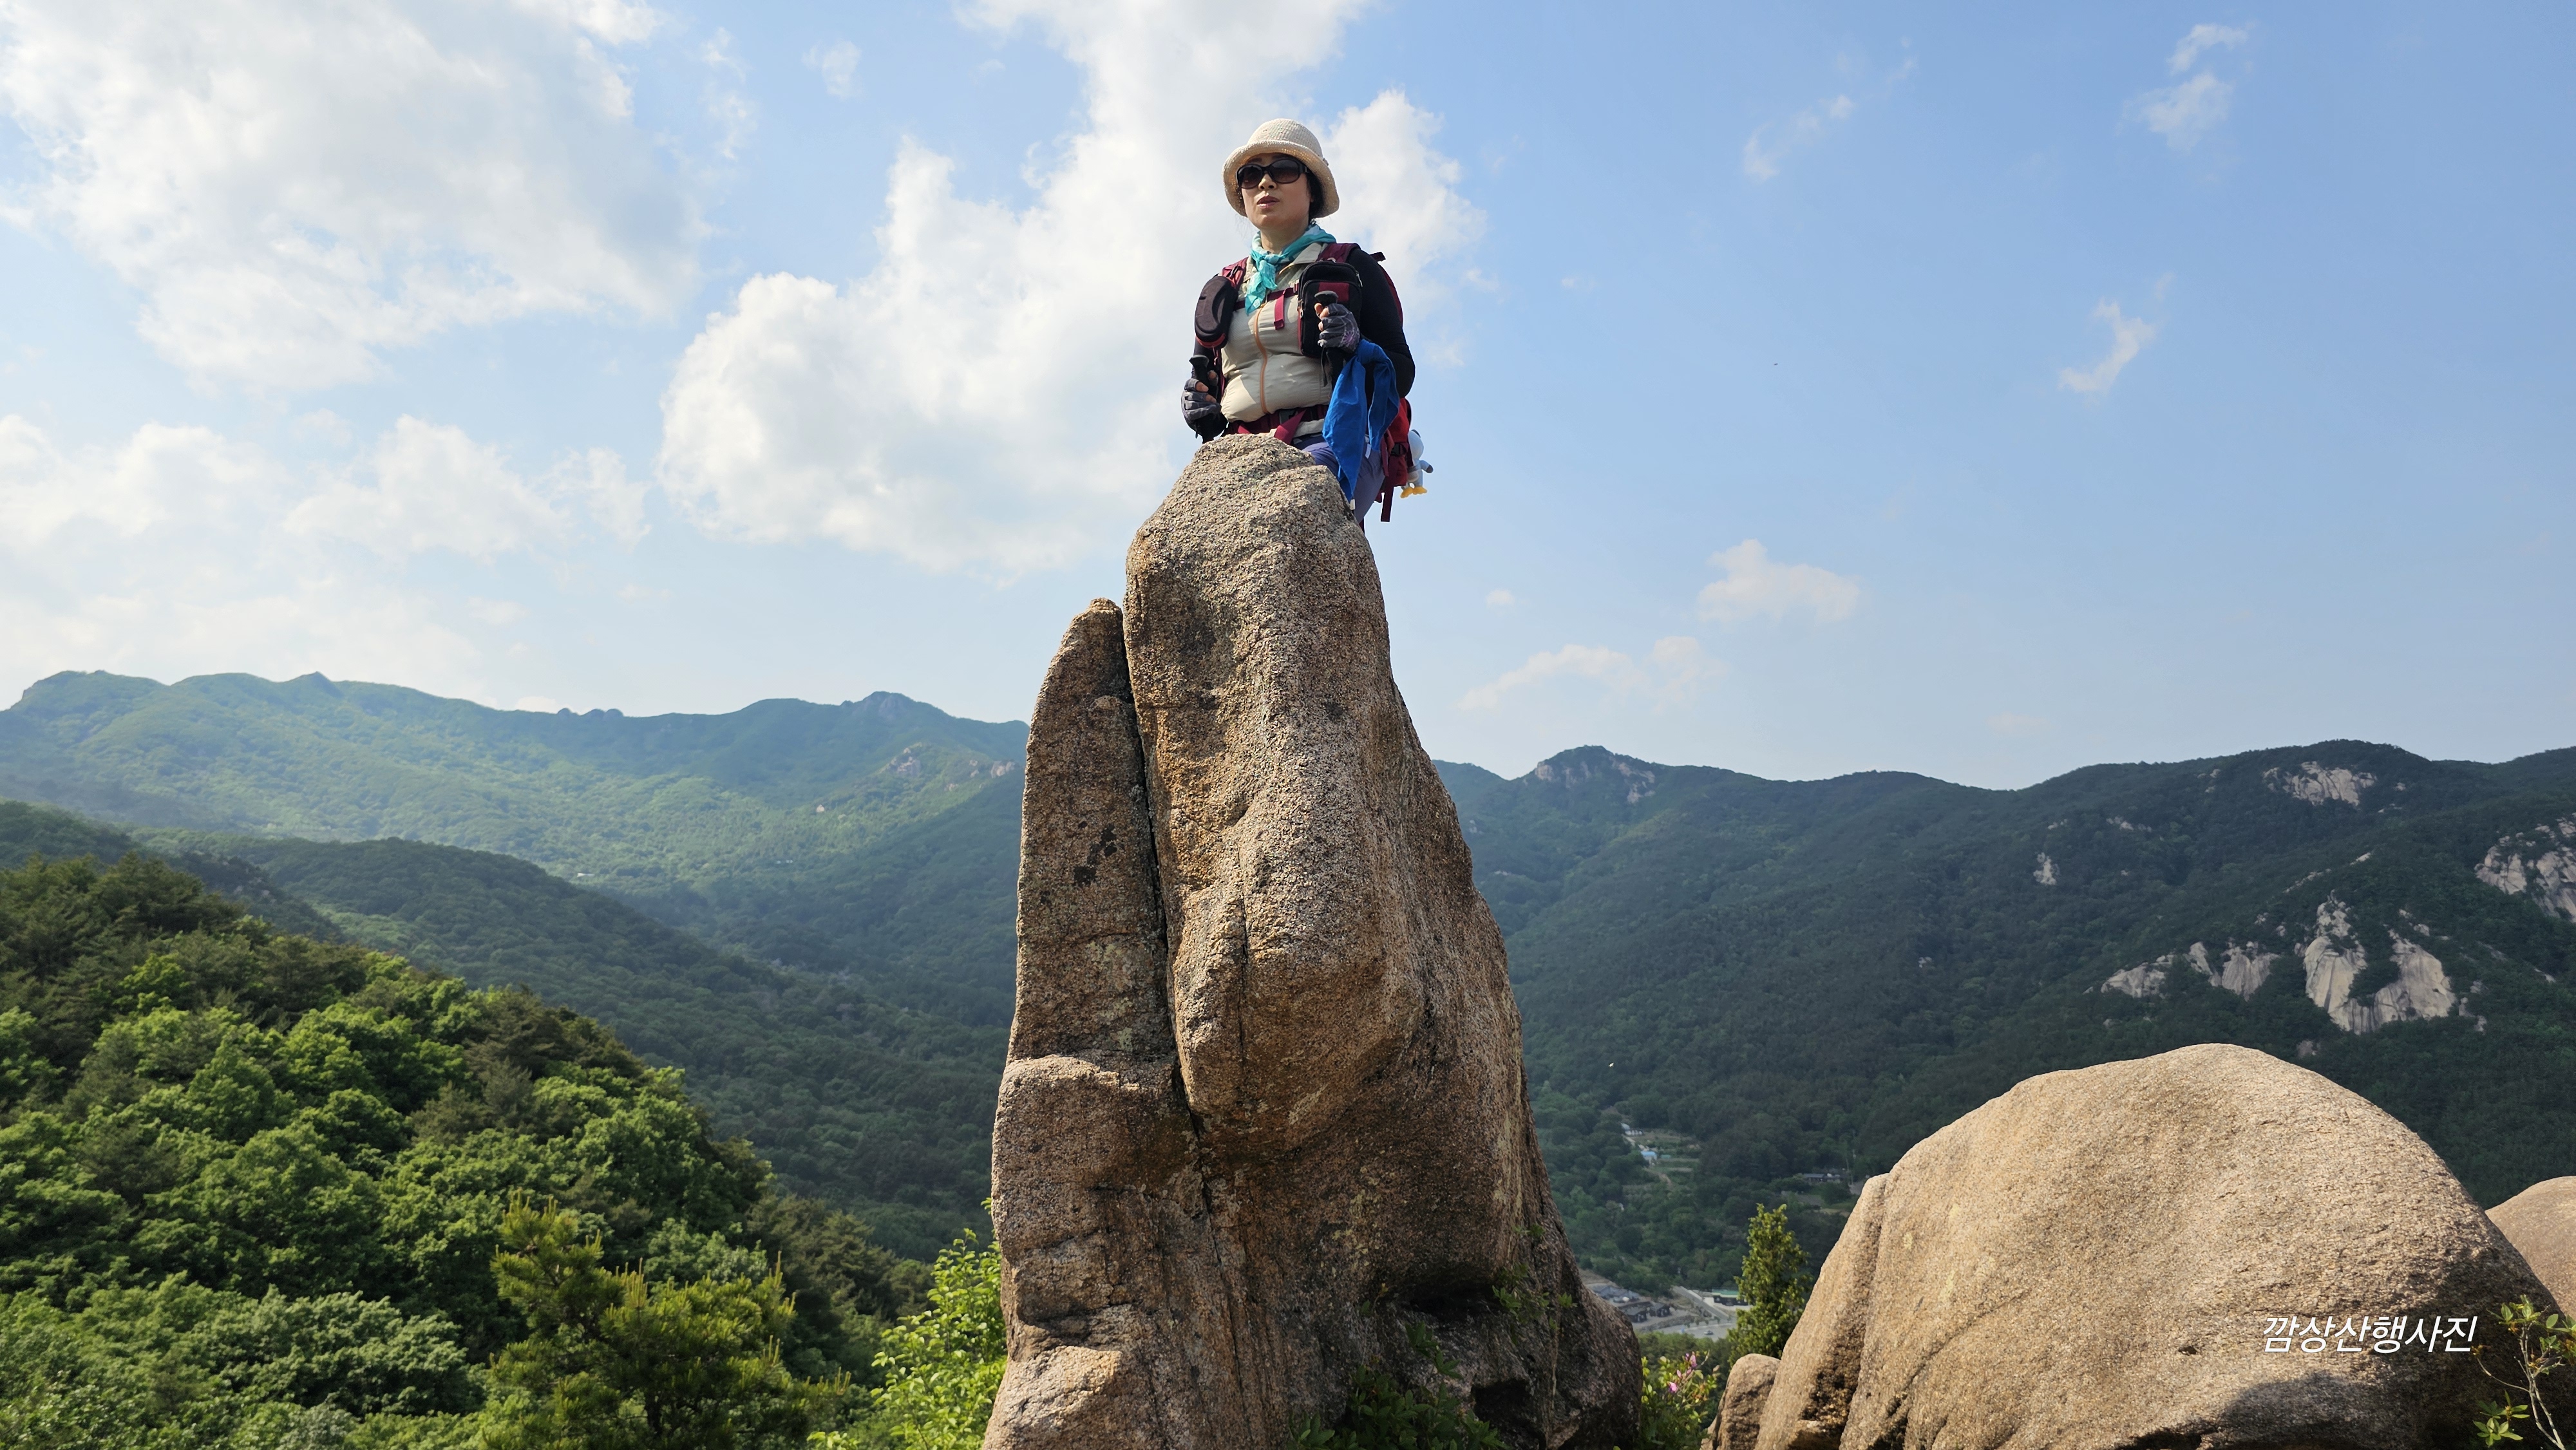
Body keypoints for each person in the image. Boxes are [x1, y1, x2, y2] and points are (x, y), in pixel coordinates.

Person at [1183, 118, 1414, 529]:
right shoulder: (1225, 287)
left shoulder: (1351, 267)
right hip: (1240, 452)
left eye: (1284, 170)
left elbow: (1402, 373)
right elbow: (1211, 386)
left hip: (1332, 438)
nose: (1265, 182)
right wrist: (1202, 407)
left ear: (1313, 189)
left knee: (1291, 514)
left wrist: (1357, 345)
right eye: (1251, 175)